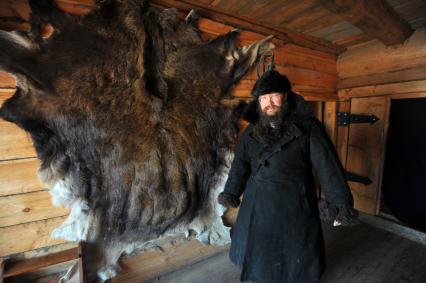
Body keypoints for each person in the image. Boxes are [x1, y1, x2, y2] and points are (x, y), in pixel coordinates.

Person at [217, 70, 359, 283]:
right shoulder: (251, 132)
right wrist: (231, 192)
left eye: (273, 95)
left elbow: (328, 166)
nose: (268, 103)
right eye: (263, 98)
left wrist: (340, 204)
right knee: (258, 249)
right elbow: (240, 164)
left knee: (295, 253)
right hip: (257, 201)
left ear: (285, 96)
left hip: (295, 201)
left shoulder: (309, 128)